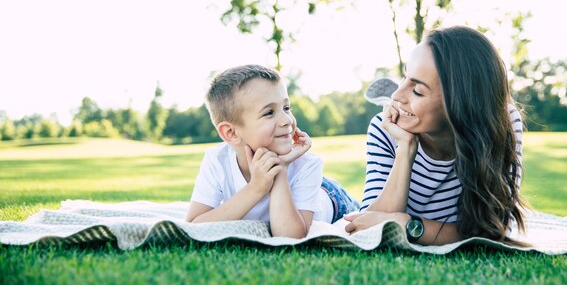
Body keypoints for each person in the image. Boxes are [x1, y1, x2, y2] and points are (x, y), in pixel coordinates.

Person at [345, 26, 528, 245]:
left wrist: (408, 224)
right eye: (405, 77)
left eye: (418, 91)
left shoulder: (502, 122)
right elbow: (370, 227)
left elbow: (494, 229)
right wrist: (405, 149)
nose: (396, 95)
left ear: (459, 104)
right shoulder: (385, 129)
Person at [185, 64, 359, 239]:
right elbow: (194, 226)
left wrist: (281, 169)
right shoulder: (217, 160)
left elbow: (291, 237)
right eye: (269, 113)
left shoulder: (306, 163)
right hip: (304, 189)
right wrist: (256, 188)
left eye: (286, 108)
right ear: (231, 133)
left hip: (331, 197)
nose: (286, 120)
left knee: (361, 214)